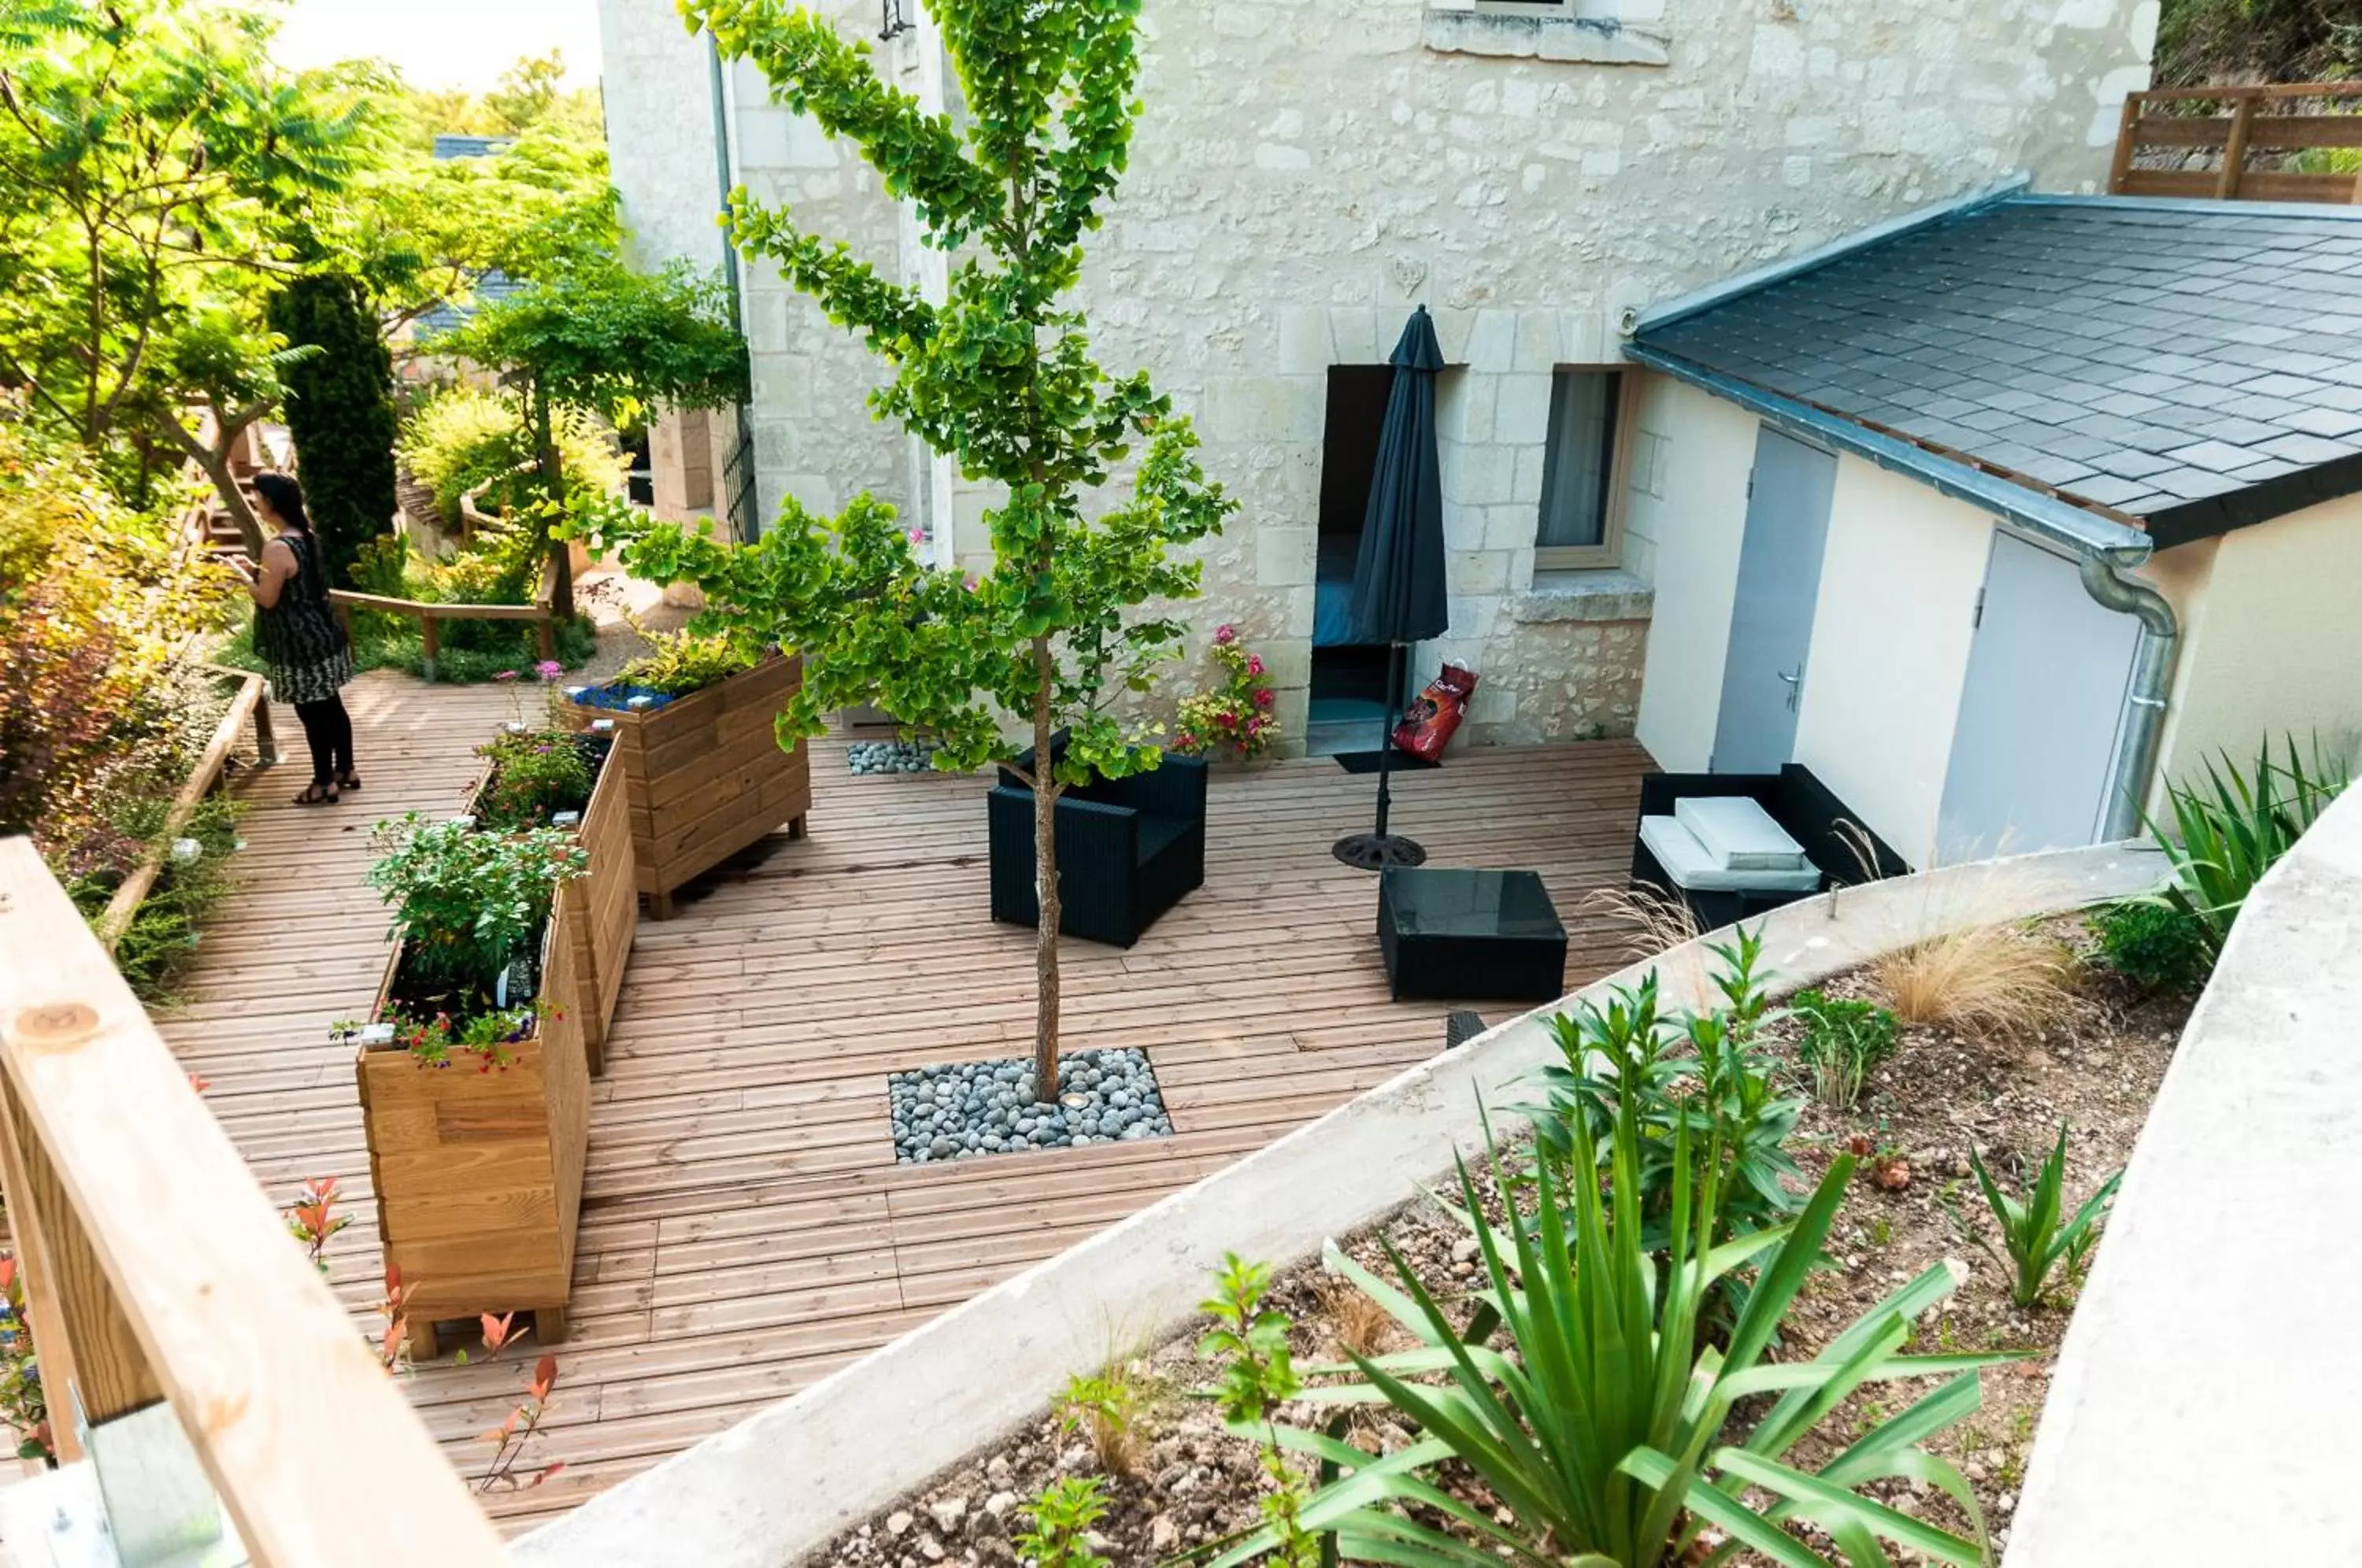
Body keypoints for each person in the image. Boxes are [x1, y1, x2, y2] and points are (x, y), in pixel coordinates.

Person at [231, 472, 359, 805]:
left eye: (257, 496)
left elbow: (267, 599)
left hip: (299, 645)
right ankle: (345, 770)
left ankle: (322, 783)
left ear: (270, 502)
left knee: (312, 714)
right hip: (325, 635)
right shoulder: (306, 536)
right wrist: (256, 568)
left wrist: (244, 577)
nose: (255, 502)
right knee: (331, 705)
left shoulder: (277, 546)